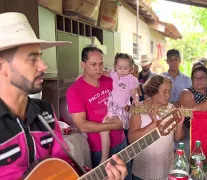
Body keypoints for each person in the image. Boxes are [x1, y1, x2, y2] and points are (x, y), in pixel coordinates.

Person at [0, 12, 127, 179]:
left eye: (41, 57)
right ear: (2, 66)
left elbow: (64, 169)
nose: (43, 66)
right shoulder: (75, 91)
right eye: (32, 59)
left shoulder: (45, 113)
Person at [66, 47, 132, 179]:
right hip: (99, 150)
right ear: (83, 65)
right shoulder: (75, 91)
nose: (98, 68)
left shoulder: (110, 81)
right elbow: (81, 125)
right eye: (93, 64)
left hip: (122, 143)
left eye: (101, 64)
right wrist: (114, 125)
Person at [128, 75, 184, 180]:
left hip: (167, 170)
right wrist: (153, 124)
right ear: (153, 91)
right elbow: (131, 139)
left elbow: (177, 138)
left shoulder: (171, 108)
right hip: (142, 172)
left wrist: (180, 125)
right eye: (165, 91)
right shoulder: (138, 109)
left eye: (170, 91)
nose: (168, 95)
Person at [180, 65, 207, 158]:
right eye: (196, 77)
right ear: (192, 79)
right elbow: (193, 112)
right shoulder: (186, 92)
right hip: (194, 138)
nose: (199, 80)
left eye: (202, 77)